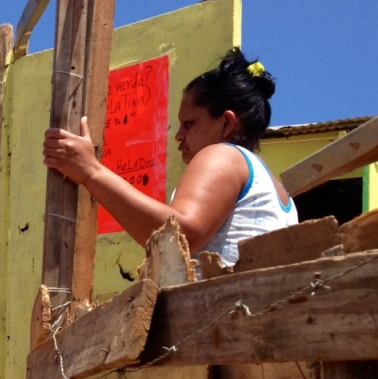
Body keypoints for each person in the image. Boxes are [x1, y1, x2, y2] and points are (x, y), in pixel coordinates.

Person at [42, 48, 298, 267]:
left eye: (189, 124)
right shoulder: (276, 190)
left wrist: (91, 171)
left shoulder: (223, 155)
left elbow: (179, 237)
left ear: (227, 123)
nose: (179, 136)